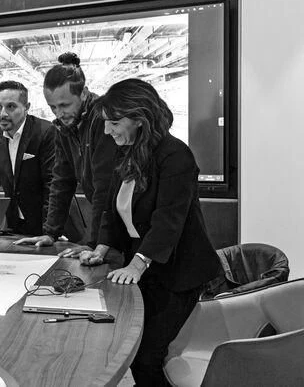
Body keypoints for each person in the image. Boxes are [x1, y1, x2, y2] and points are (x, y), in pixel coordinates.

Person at [77, 79, 221, 386]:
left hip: (177, 274)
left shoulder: (175, 156)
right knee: (133, 351)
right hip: (148, 271)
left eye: (114, 123)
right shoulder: (126, 152)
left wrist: (137, 264)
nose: (108, 131)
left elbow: (168, 220)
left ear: (140, 119)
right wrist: (101, 247)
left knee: (146, 358)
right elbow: (114, 209)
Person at [13, 53, 116, 255]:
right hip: (108, 225)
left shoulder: (103, 120)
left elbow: (104, 188)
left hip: (120, 224)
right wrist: (50, 233)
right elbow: (61, 180)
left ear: (84, 93)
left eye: (64, 105)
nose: (59, 114)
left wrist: (94, 244)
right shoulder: (63, 127)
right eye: (52, 107)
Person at [0, 80, 55, 235]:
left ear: (26, 108)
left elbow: (52, 186)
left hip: (50, 224)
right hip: (16, 225)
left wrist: (49, 232)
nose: (3, 113)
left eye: (11, 107)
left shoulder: (46, 132)